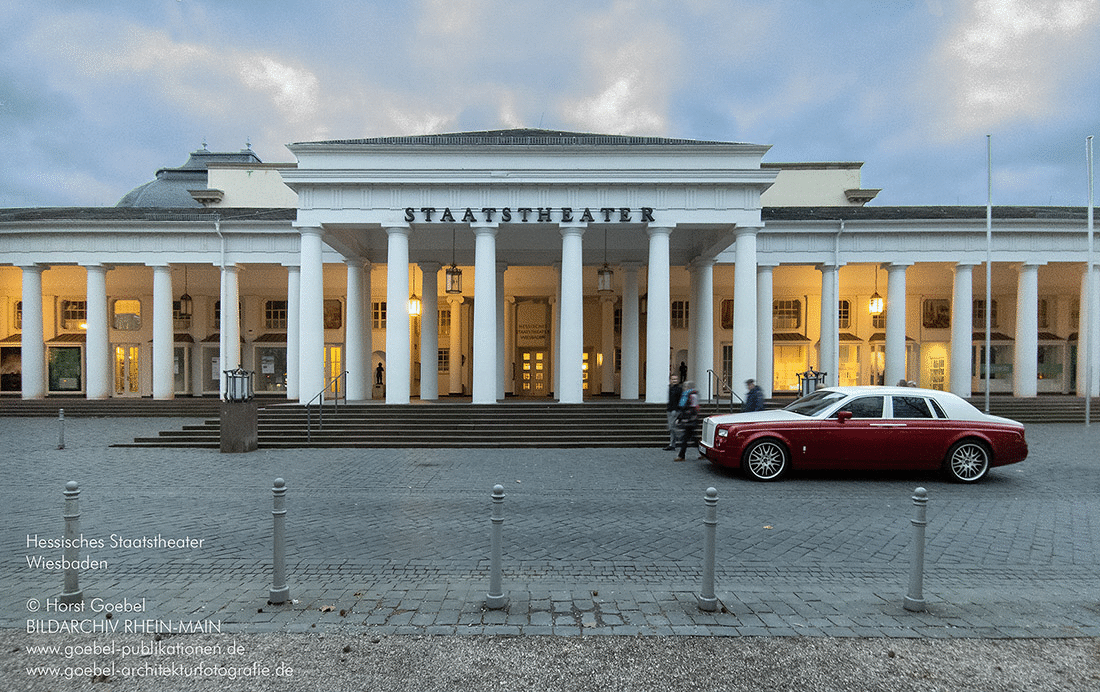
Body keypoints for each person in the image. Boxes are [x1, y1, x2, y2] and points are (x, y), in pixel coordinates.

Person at [675, 380, 700, 461]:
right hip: (689, 420)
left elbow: (693, 408)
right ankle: (703, 452)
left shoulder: (692, 395)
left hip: (690, 420)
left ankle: (681, 456)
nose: (684, 388)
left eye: (685, 387)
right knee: (693, 438)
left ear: (689, 387)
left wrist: (681, 418)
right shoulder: (688, 395)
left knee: (685, 438)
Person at [663, 374, 682, 450]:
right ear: (670, 380)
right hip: (670, 410)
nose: (674, 381)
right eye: (673, 379)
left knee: (672, 427)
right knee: (671, 427)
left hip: (675, 410)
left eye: (675, 379)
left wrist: (679, 411)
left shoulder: (679, 389)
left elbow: (680, 401)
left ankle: (674, 443)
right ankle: (672, 444)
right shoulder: (670, 388)